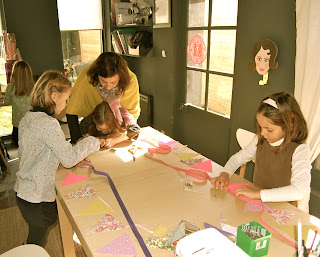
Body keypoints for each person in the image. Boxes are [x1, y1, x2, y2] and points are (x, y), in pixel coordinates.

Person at [14, 70, 106, 246]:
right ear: (54, 96)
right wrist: (93, 141)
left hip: (24, 191)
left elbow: (45, 149)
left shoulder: (29, 117)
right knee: (37, 242)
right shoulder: (49, 124)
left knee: (35, 235)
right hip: (37, 198)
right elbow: (68, 159)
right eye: (66, 99)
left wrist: (71, 153)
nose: (66, 104)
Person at [211, 92, 311, 213]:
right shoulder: (260, 140)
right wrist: (225, 173)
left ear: (290, 125)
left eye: (269, 129)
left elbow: (300, 190)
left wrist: (258, 194)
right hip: (259, 204)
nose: (262, 133)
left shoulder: (300, 150)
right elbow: (238, 158)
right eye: (260, 127)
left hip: (285, 211)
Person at [66, 52, 140, 144]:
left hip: (117, 126)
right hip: (93, 123)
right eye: (103, 81)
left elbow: (133, 120)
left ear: (121, 78)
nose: (108, 87)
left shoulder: (130, 80)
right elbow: (72, 111)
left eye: (113, 82)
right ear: (96, 76)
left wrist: (117, 138)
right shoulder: (86, 77)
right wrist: (77, 140)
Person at [3, 60, 34, 146]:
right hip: (32, 125)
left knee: (21, 150)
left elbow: (6, 102)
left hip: (18, 126)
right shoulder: (35, 87)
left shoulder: (11, 88)